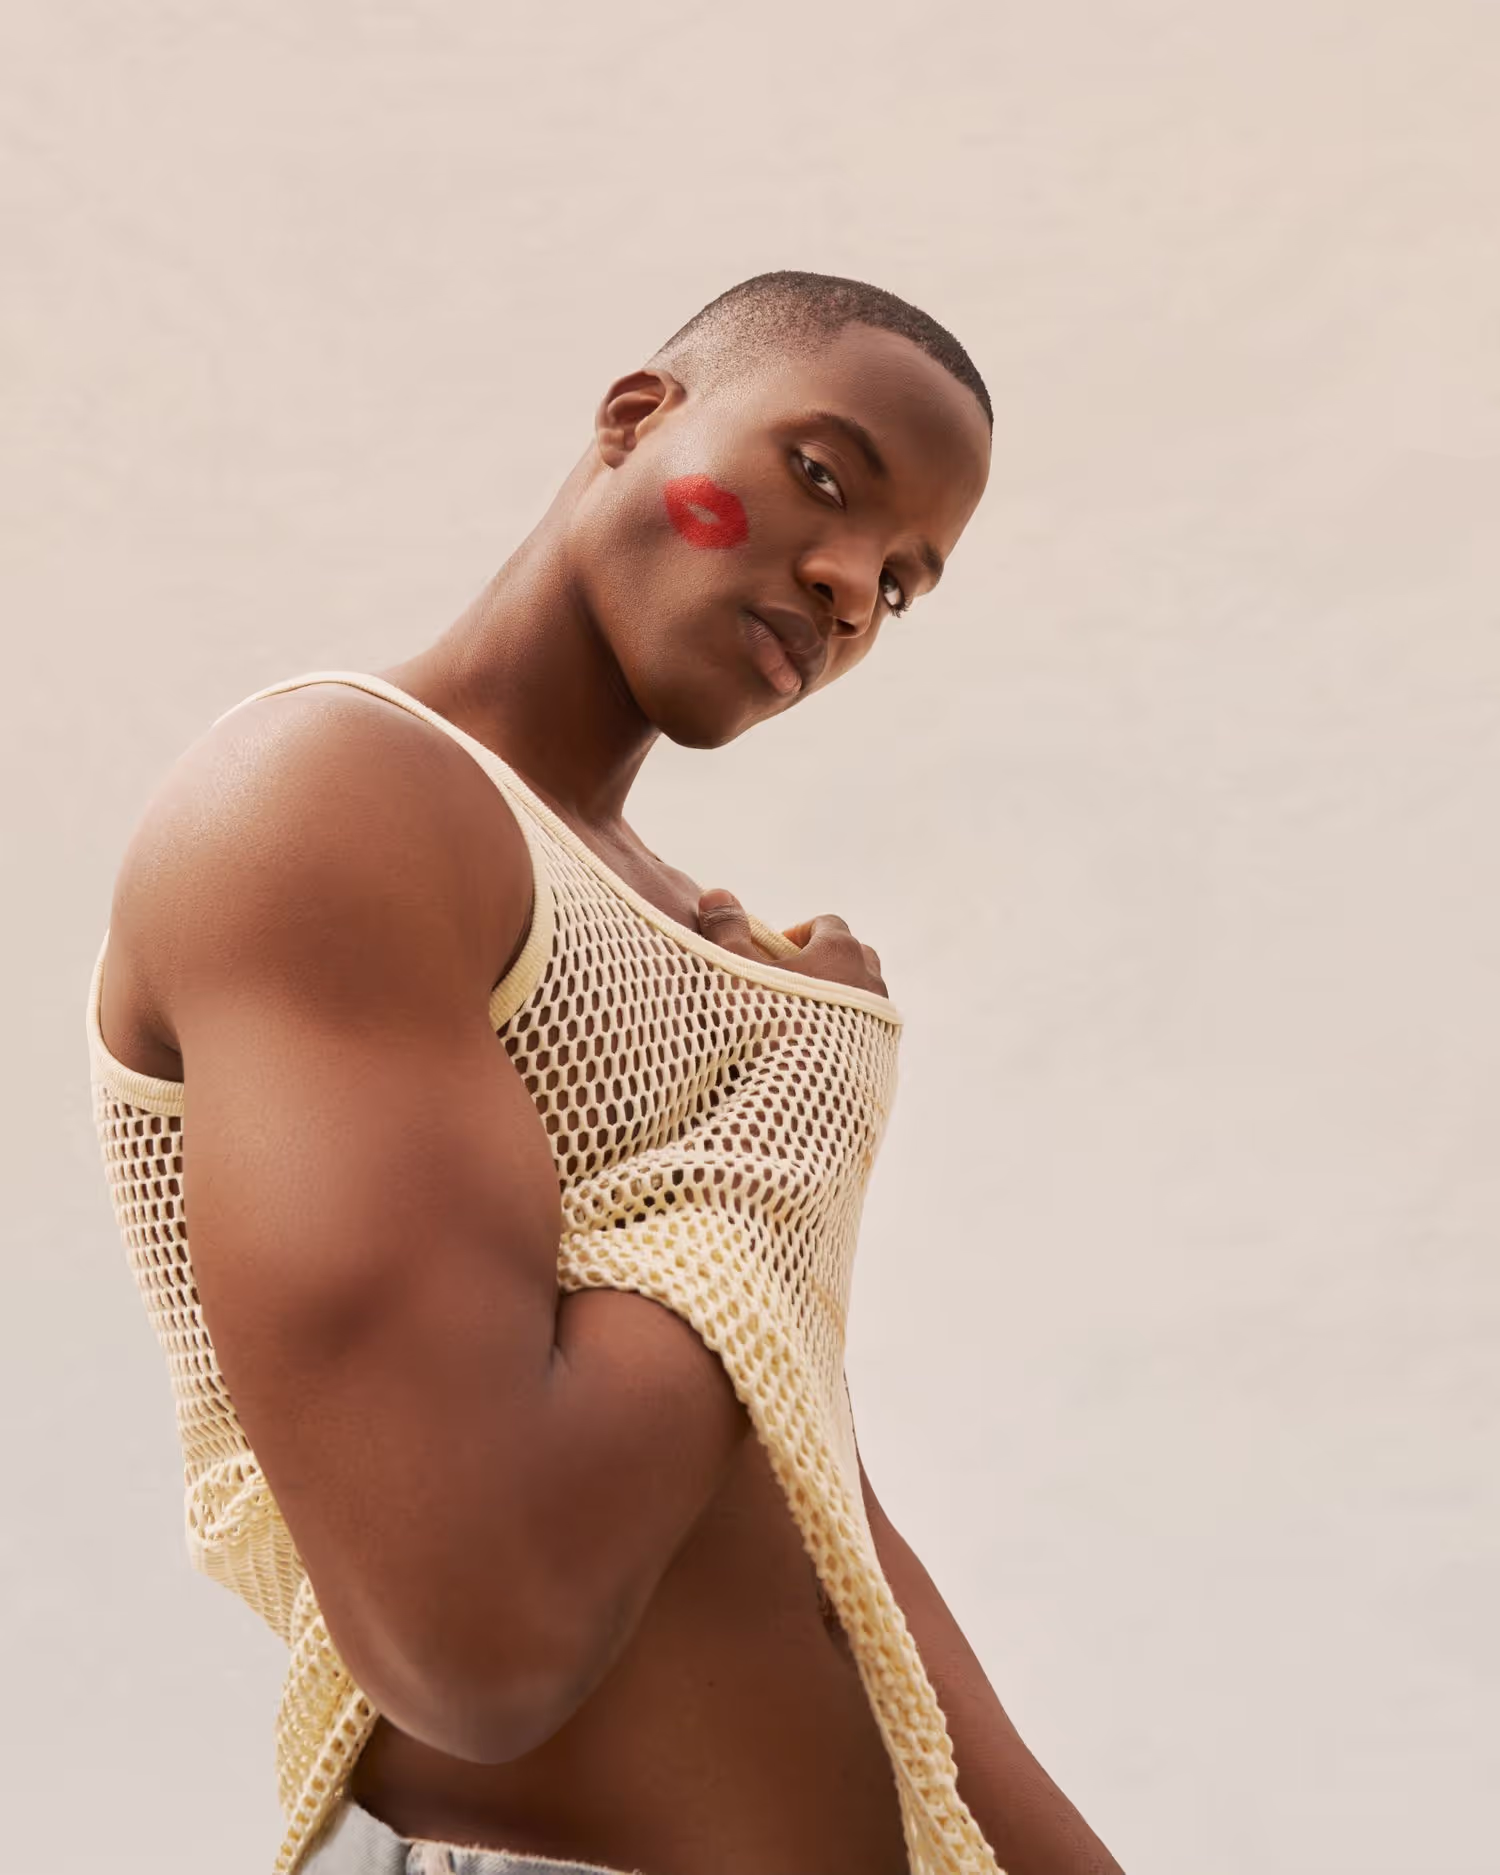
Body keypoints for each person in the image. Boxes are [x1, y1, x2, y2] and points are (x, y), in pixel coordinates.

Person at [87, 271, 1125, 1875]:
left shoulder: (683, 931)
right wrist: (806, 1100)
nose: (851, 586)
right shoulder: (333, 800)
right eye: (824, 477)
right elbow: (477, 1631)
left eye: (905, 586)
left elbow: (811, 1509)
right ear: (640, 420)